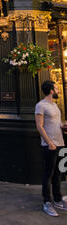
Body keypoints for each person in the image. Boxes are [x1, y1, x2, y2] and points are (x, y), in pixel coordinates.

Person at [35, 80, 67, 216]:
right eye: (56, 87)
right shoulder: (40, 106)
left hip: (60, 143)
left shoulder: (55, 105)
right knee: (48, 174)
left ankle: (58, 199)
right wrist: (49, 143)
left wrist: (63, 125)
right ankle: (47, 202)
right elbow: (39, 126)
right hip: (50, 145)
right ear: (51, 90)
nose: (58, 89)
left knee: (58, 173)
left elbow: (56, 123)